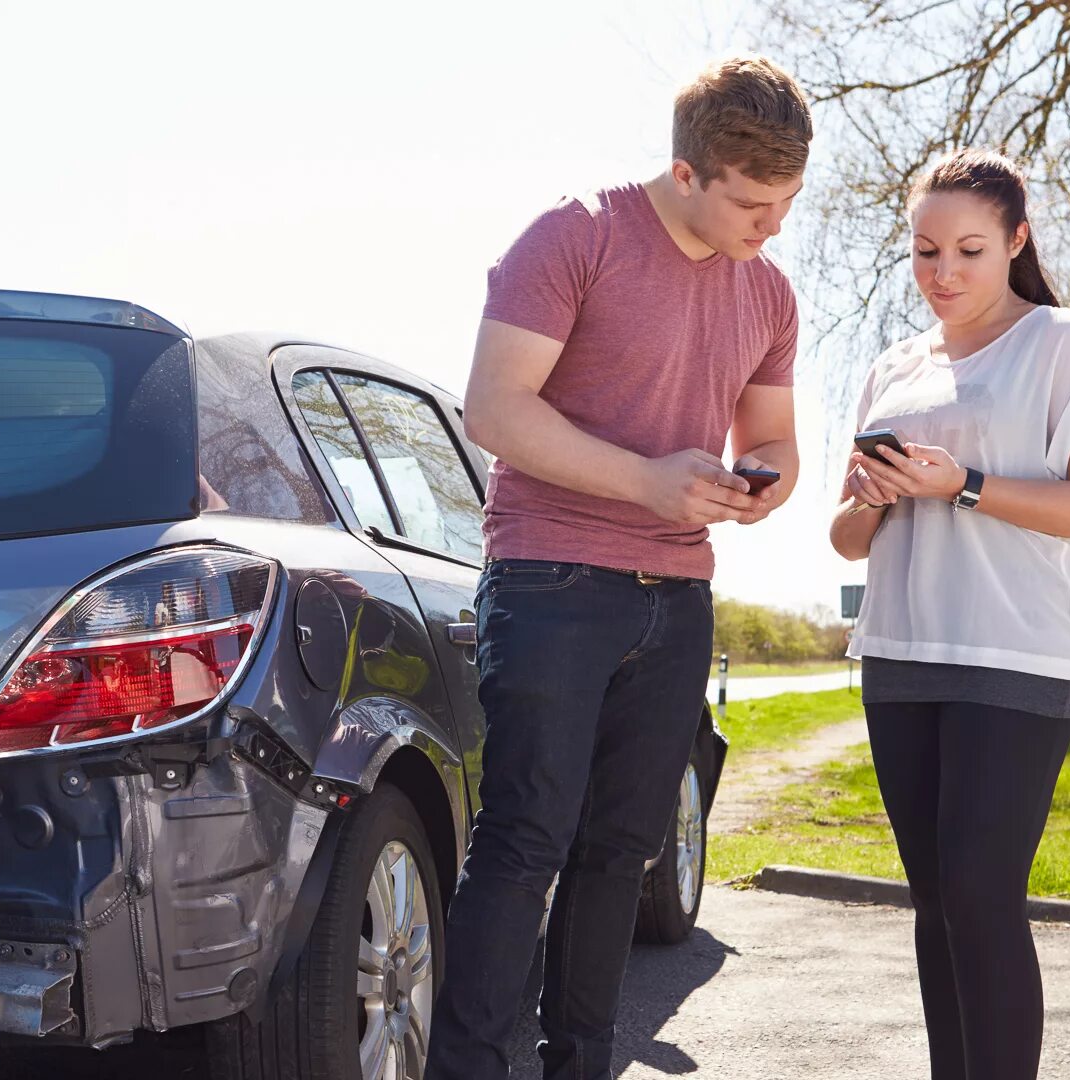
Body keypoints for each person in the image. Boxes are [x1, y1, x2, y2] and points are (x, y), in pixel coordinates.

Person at [424, 55, 811, 1080]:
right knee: (525, 844)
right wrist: (645, 481)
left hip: (678, 597)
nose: (769, 226)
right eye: (752, 203)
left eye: (787, 203)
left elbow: (774, 437)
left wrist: (762, 483)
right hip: (553, 581)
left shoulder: (768, 292)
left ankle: (581, 1067)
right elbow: (495, 410)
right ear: (686, 173)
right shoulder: (575, 237)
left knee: (622, 853)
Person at [829, 147, 1070, 1080]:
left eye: (967, 250)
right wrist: (882, 492)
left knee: (981, 891)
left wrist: (965, 485)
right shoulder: (893, 366)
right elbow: (846, 539)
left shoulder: (1065, 345)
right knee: (935, 900)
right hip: (900, 653)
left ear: (1016, 241)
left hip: (1019, 658)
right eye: (925, 253)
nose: (943, 274)